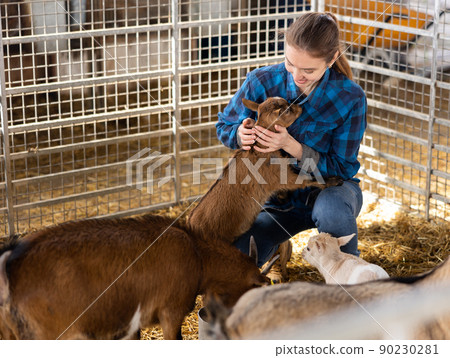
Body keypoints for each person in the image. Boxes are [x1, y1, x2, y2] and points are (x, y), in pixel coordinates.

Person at [215, 12, 367, 279]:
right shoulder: (260, 81)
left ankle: (350, 286)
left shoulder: (350, 98)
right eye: (290, 63)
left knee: (332, 212)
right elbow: (224, 127)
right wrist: (240, 135)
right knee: (235, 264)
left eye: (308, 70)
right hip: (276, 199)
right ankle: (277, 249)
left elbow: (342, 168)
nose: (297, 75)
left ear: (331, 59)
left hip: (327, 191)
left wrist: (293, 147)